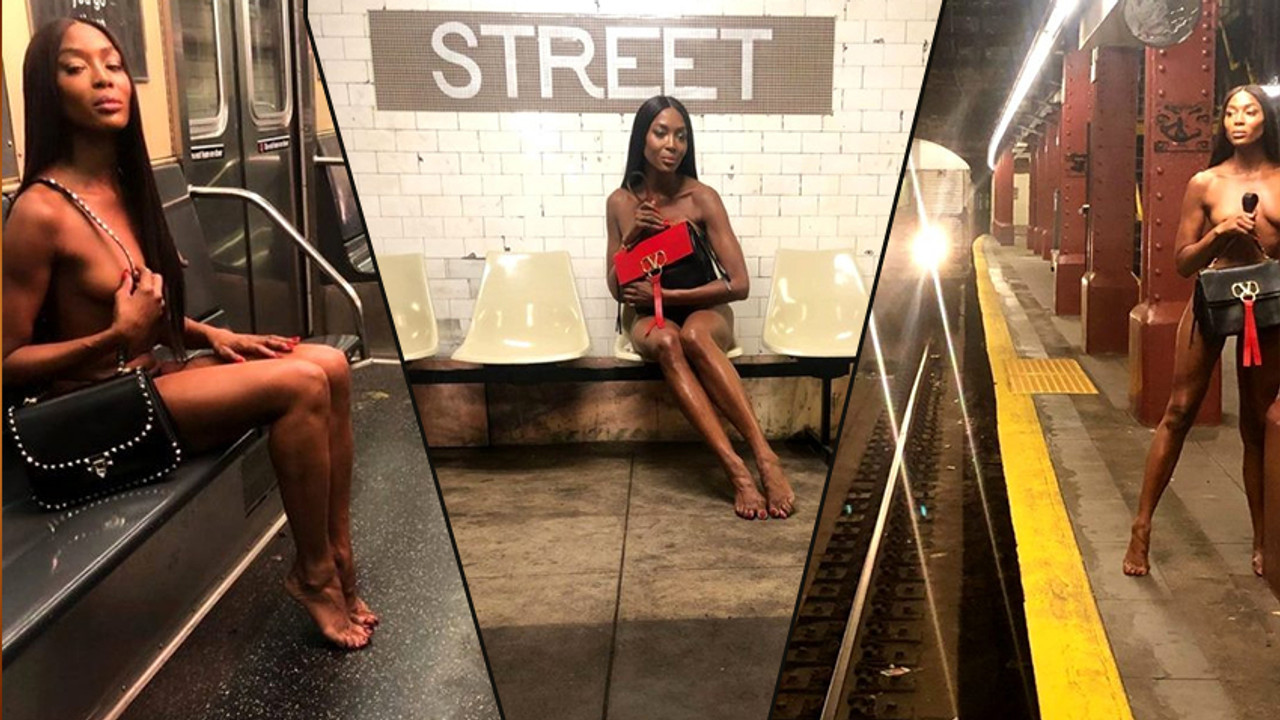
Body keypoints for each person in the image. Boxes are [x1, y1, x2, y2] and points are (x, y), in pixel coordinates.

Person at [2, 18, 376, 649]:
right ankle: (313, 575)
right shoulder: (40, 211)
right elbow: (8, 361)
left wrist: (210, 336)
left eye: (113, 65)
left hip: (148, 377)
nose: (103, 79)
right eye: (76, 68)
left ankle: (338, 554)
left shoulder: (123, 185)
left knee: (331, 366)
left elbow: (141, 307)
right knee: (300, 386)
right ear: (47, 88)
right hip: (99, 410)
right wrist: (115, 339)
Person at [604, 95, 796, 521]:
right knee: (668, 341)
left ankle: (765, 457)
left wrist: (671, 298)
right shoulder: (620, 202)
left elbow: (739, 284)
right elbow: (617, 288)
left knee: (692, 334)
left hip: (704, 307)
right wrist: (633, 236)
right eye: (661, 133)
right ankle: (736, 470)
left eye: (681, 136)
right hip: (648, 316)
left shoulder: (702, 197)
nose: (671, 145)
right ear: (642, 138)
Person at [1124, 85, 1280, 577]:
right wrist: (1220, 234)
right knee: (1178, 412)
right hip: (1212, 301)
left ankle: (1262, 541)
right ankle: (1141, 528)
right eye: (1230, 112)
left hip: (1267, 308)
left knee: (1256, 424)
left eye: (1249, 111)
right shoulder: (1205, 183)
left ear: (1266, 120)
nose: (1239, 120)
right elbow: (1183, 262)